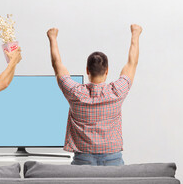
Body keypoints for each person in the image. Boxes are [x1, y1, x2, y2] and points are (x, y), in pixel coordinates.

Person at [47, 24, 142, 166]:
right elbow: (132, 63)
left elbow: (57, 64)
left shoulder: (75, 93)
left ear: (87, 70)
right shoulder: (117, 91)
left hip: (83, 159)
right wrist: (135, 34)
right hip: (113, 159)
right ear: (107, 70)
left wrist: (52, 38)